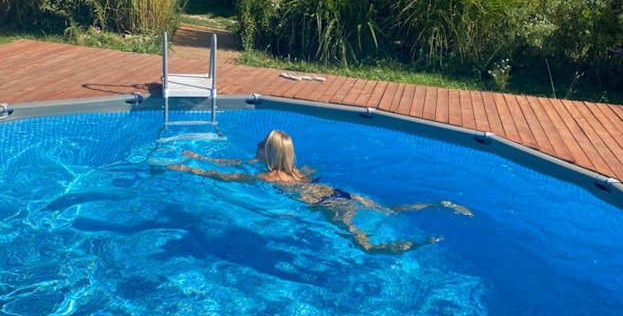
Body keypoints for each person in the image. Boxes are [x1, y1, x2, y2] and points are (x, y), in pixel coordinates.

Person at [168, 130, 472, 254]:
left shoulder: (268, 177)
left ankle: (416, 244)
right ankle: (439, 204)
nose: (257, 145)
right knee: (389, 210)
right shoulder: (297, 171)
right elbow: (234, 164)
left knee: (365, 246)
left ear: (269, 152)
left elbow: (225, 177)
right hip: (339, 193)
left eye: (262, 144)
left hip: (329, 204)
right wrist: (197, 157)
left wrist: (189, 169)